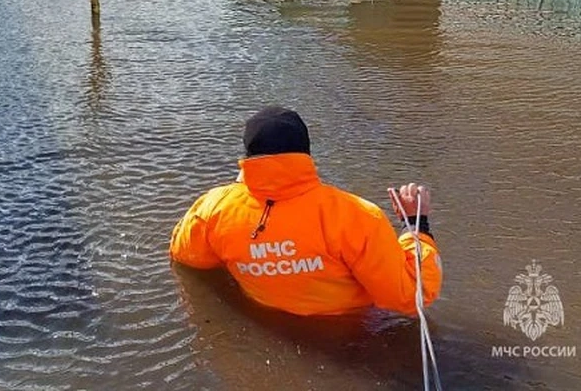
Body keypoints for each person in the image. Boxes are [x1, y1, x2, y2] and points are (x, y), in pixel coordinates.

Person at [169, 106, 442, 316]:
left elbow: (186, 257)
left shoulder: (214, 209)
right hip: (354, 332)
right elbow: (411, 297)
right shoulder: (356, 216)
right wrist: (416, 226)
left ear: (247, 158)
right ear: (307, 153)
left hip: (270, 326)